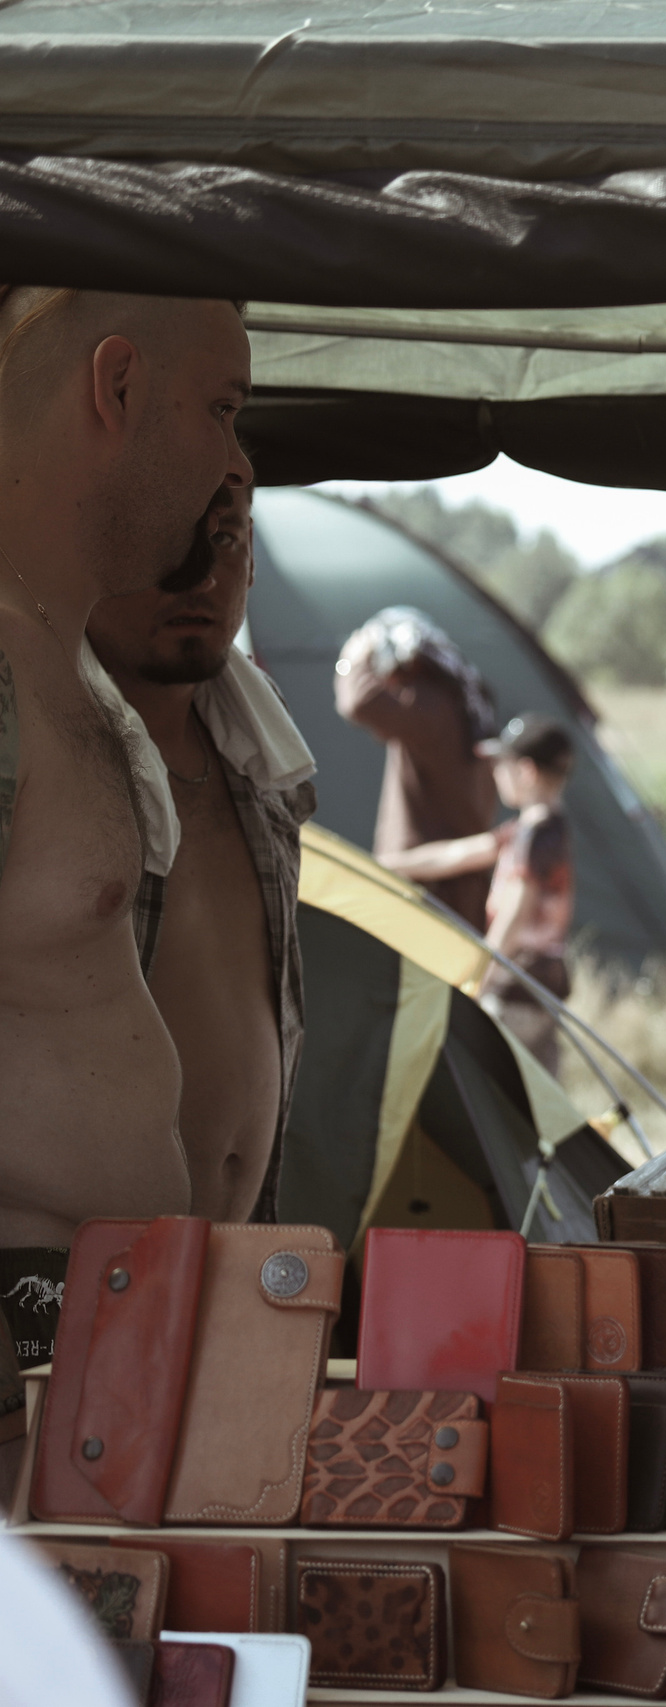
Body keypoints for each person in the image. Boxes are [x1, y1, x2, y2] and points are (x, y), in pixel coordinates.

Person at [0, 286, 255, 1252]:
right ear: (118, 385)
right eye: (223, 408)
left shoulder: (55, 660)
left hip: (84, 1355)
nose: (236, 461)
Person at [88, 478, 318, 1224]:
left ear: (252, 561)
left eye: (223, 538)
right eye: (160, 542)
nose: (198, 575)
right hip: (70, 1276)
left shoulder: (261, 752)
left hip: (236, 1256)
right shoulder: (38, 755)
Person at [384, 714, 578, 1071]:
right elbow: (458, 854)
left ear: (527, 771)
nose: (494, 773)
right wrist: (391, 864)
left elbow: (515, 916)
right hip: (545, 985)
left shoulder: (536, 837)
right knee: (538, 1089)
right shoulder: (532, 830)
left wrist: (480, 978)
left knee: (488, 1078)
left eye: (502, 765)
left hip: (517, 985)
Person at [335, 604, 500, 923]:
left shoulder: (429, 703)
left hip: (431, 884)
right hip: (453, 881)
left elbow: (358, 702)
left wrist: (353, 661)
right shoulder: (461, 699)